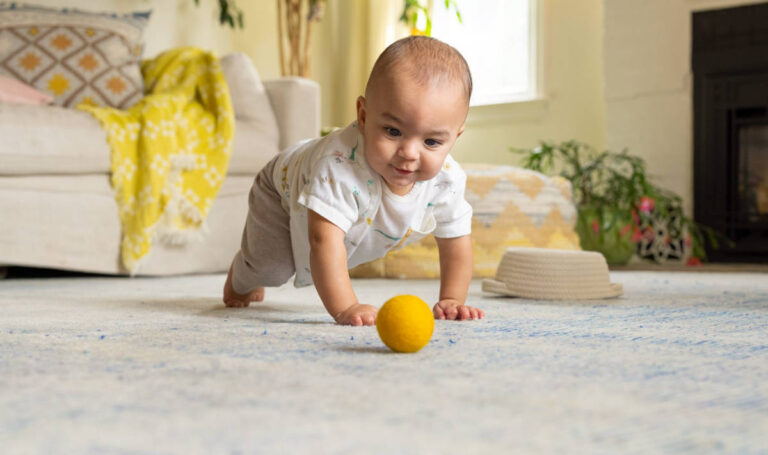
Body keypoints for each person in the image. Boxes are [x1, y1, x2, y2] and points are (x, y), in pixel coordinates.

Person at [222, 35, 484, 326]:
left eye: (432, 141)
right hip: (281, 188)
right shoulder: (339, 169)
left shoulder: (446, 180)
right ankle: (240, 275)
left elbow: (457, 240)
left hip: (322, 188)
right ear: (362, 115)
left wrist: (452, 299)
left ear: (454, 138)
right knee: (271, 268)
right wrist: (346, 307)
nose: (409, 153)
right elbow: (322, 240)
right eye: (393, 131)